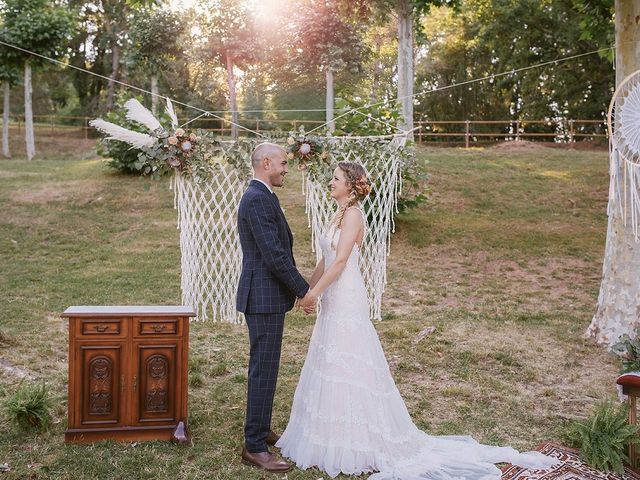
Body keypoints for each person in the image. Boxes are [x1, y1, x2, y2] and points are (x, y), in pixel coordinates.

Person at [277, 161, 559, 479]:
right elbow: (325, 258)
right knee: (330, 358)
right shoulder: (338, 213)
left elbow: (342, 260)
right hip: (332, 293)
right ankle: (328, 432)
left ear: (351, 186)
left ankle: (359, 438)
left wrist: (316, 294)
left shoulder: (354, 214)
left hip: (346, 294)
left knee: (349, 358)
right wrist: (308, 290)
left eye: (336, 178)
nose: (331, 182)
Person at [236, 142, 316, 473]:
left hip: (268, 297)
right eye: (283, 163)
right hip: (263, 297)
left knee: (267, 367)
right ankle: (254, 445)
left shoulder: (264, 195)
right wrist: (304, 290)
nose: (286, 168)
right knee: (263, 369)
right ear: (266, 163)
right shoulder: (256, 199)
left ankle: (262, 428)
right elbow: (274, 254)